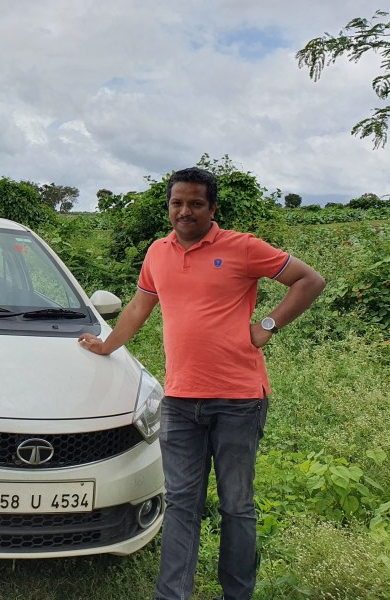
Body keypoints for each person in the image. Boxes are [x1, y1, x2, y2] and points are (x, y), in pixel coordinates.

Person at [78, 167, 325, 600]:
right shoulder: (158, 252)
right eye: (177, 203)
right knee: (182, 502)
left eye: (195, 203)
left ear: (212, 208)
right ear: (168, 207)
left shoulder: (242, 247)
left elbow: (309, 280)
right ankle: (172, 595)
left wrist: (267, 325)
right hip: (180, 400)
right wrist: (107, 345)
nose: (185, 211)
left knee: (236, 505)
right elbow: (138, 307)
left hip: (239, 400)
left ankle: (237, 594)